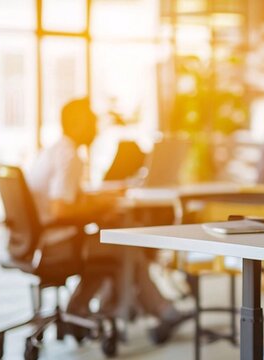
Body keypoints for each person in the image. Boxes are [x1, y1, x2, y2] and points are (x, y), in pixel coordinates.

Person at [27, 98, 188, 343]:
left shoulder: (54, 150)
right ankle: (141, 311)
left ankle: (152, 309)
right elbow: (60, 210)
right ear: (77, 124)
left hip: (38, 241)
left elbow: (63, 199)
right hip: (55, 242)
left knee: (122, 238)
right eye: (91, 121)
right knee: (126, 243)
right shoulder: (70, 157)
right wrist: (100, 208)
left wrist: (99, 201)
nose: (95, 127)